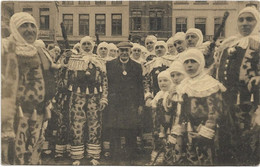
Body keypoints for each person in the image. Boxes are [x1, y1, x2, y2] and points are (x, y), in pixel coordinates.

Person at [1, 12, 56, 165]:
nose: (30, 29)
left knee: (34, 151)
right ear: (14, 28)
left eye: (32, 25)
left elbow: (49, 77)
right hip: (14, 116)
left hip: (38, 112)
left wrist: (47, 102)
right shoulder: (5, 48)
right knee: (16, 153)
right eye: (24, 25)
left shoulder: (39, 51)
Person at [215, 6, 260, 165]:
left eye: (250, 19)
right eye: (241, 20)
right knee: (226, 137)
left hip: (248, 102)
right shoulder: (228, 43)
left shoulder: (258, 43)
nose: (245, 23)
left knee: (246, 139)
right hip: (226, 100)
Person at [63, 36, 108, 165]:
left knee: (94, 124)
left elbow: (104, 80)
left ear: (93, 45)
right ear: (81, 45)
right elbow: (67, 79)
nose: (87, 46)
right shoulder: (73, 59)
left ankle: (93, 155)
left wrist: (104, 97)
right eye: (85, 44)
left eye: (89, 44)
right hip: (78, 96)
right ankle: (77, 155)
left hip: (95, 97)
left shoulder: (98, 60)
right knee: (77, 124)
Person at [177, 48, 226, 165]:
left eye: (193, 62)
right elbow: (181, 110)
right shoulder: (184, 84)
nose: (189, 65)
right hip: (189, 129)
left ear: (200, 63)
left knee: (206, 159)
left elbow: (215, 112)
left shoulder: (210, 84)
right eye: (186, 62)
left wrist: (205, 131)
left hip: (206, 130)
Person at [106, 41, 144, 165]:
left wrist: (140, 104)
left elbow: (140, 87)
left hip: (130, 104)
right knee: (114, 129)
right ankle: (115, 157)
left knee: (131, 130)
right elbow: (107, 84)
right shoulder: (110, 65)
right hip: (115, 103)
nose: (124, 53)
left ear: (130, 52)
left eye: (126, 51)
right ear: (118, 52)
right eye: (121, 50)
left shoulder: (137, 66)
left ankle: (130, 157)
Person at [148, 70, 174, 165]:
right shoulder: (159, 94)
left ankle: (168, 160)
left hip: (167, 124)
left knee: (167, 142)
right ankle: (157, 160)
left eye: (165, 80)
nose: (162, 83)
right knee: (157, 140)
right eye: (160, 81)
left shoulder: (171, 94)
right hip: (158, 124)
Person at [164, 60, 187, 165]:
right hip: (175, 122)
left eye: (178, 74)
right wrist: (169, 97)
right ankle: (174, 161)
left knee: (185, 144)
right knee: (174, 143)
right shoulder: (172, 89)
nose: (175, 78)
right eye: (172, 76)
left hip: (185, 122)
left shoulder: (188, 87)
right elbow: (168, 107)